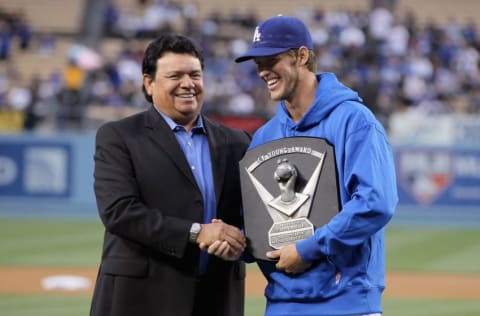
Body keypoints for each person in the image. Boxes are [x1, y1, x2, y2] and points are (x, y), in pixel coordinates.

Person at [235, 15, 398, 316]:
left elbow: (376, 202)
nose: (262, 71)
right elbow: (260, 226)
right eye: (257, 63)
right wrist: (236, 241)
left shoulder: (353, 120)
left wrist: (308, 248)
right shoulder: (264, 137)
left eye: (271, 59)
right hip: (281, 304)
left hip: (347, 304)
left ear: (302, 55)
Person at [90, 34, 250, 316]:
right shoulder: (119, 136)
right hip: (140, 299)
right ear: (149, 84)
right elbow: (119, 212)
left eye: (195, 75)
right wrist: (196, 232)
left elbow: (251, 216)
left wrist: (239, 243)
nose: (188, 84)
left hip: (217, 297)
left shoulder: (237, 142)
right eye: (175, 75)